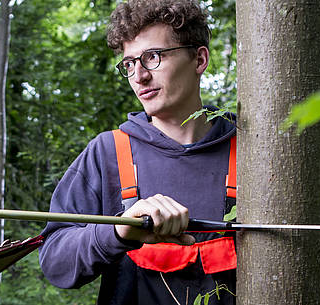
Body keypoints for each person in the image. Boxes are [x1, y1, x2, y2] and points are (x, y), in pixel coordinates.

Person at [38, 0, 236, 304]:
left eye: (153, 57)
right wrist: (118, 232)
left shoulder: (249, 152)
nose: (139, 76)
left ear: (199, 59)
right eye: (129, 63)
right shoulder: (108, 153)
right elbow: (55, 261)